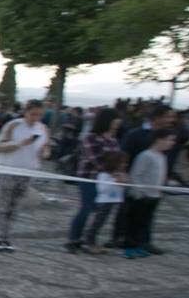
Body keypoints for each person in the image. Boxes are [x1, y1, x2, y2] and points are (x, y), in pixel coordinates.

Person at [0, 100, 49, 252]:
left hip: (28, 170)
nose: (35, 118)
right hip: (10, 168)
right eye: (32, 114)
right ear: (25, 112)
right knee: (5, 203)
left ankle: (7, 236)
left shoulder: (42, 128)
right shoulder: (13, 125)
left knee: (16, 205)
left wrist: (44, 153)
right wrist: (20, 144)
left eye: (39, 115)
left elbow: (46, 149)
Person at [64, 107, 122, 253]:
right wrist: (114, 172)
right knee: (86, 208)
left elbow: (118, 160)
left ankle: (89, 239)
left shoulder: (113, 140)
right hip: (89, 179)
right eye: (115, 121)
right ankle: (73, 239)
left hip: (107, 181)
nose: (117, 124)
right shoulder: (90, 138)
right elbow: (96, 160)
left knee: (102, 212)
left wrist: (118, 172)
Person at [124, 129, 175, 259]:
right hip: (141, 196)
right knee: (134, 222)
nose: (172, 143)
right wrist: (140, 192)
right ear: (159, 139)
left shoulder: (162, 157)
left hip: (154, 196)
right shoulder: (145, 155)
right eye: (169, 139)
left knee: (145, 222)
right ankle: (130, 247)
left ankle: (140, 245)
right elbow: (136, 175)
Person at [82, 151, 127, 255]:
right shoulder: (103, 175)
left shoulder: (119, 174)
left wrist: (123, 180)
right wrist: (114, 181)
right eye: (122, 162)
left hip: (112, 201)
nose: (124, 165)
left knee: (102, 223)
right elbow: (102, 189)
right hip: (104, 202)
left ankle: (92, 242)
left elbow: (123, 187)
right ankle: (88, 242)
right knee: (97, 222)